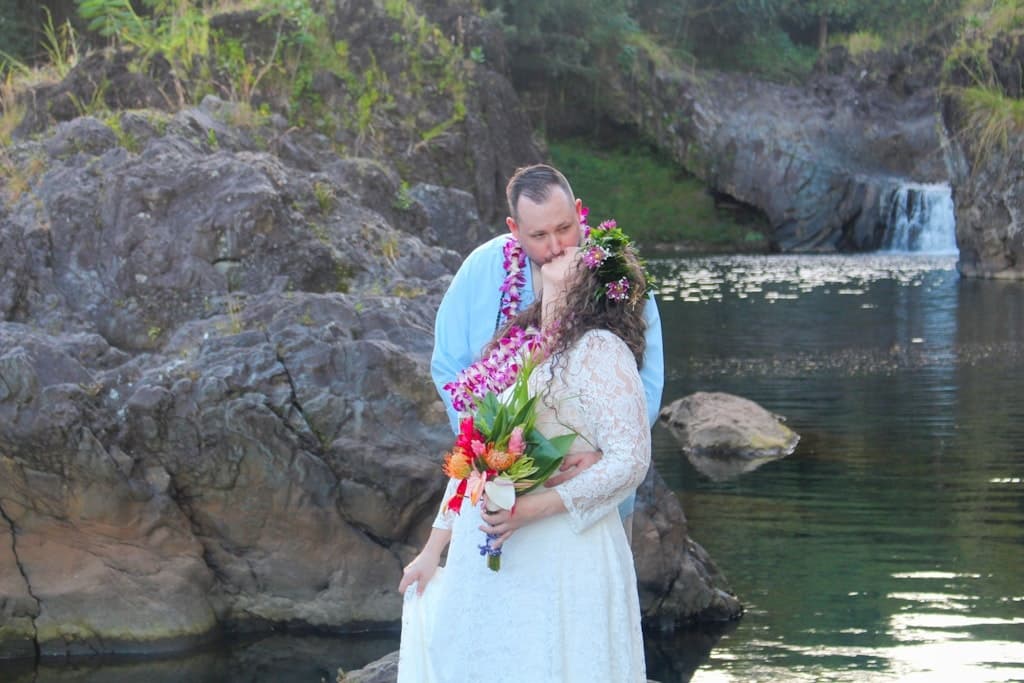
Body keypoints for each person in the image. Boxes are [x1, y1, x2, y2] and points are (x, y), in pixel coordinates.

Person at [399, 233, 652, 682]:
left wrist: (532, 508)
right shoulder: (523, 347)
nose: (558, 248)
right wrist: (433, 550)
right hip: (499, 556)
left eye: (575, 252)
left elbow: (630, 458)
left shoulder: (598, 349)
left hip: (563, 555)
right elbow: (476, 453)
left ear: (587, 285)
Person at [429, 164, 664, 536]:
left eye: (564, 228)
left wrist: (603, 453)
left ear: (579, 211)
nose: (555, 247)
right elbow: (449, 369)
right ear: (514, 229)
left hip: (591, 493)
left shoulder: (616, 276)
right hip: (504, 490)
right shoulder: (480, 270)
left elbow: (646, 379)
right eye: (539, 235)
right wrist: (493, 451)